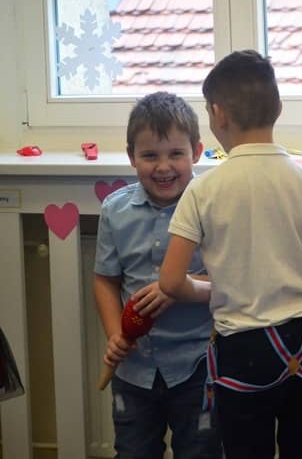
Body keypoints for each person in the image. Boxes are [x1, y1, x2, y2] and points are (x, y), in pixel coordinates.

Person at [158, 49, 302, 459]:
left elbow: (171, 282)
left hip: (244, 348)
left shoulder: (203, 190)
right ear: (278, 108)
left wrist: (210, 288)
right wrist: (297, 259)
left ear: (217, 115)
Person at [93, 91, 222, 458]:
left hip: (198, 365)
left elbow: (232, 279)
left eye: (175, 154)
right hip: (134, 369)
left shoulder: (214, 207)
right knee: (133, 451)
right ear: (131, 156)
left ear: (196, 152)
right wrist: (115, 334)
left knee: (200, 452)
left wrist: (179, 287)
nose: (163, 167)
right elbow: (105, 280)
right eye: (150, 155)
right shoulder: (115, 210)